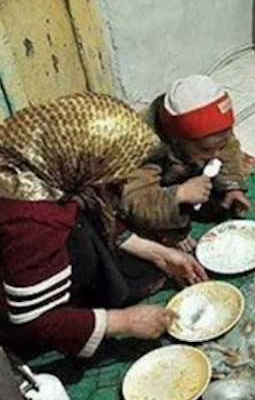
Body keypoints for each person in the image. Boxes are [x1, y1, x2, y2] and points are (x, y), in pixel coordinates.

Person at [0, 93, 208, 358]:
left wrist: (160, 254)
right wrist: (123, 321)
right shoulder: (30, 218)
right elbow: (35, 320)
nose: (119, 183)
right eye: (113, 172)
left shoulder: (38, 159)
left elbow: (94, 208)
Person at [121, 75, 251, 250]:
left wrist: (231, 185)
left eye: (220, 145)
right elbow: (133, 200)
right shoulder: (141, 145)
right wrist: (179, 195)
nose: (215, 155)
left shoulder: (210, 137)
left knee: (219, 205)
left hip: (181, 162)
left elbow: (227, 147)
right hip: (154, 181)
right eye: (206, 150)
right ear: (177, 140)